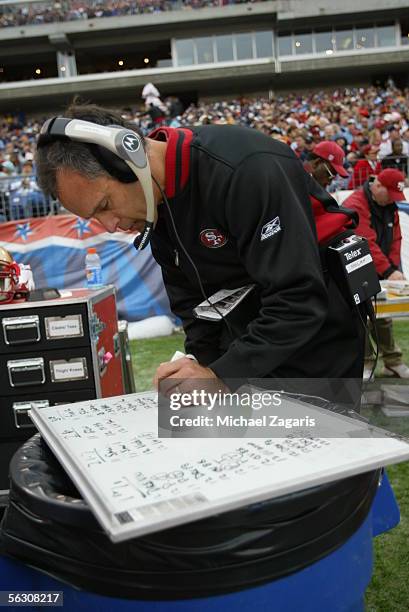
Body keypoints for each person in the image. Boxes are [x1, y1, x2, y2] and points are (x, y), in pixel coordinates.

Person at [35, 103, 367, 398]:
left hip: (319, 340)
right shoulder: (154, 207)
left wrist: (221, 375)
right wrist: (197, 370)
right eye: (94, 218)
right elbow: (194, 307)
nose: (108, 226)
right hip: (254, 340)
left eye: (104, 205)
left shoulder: (246, 169)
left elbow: (299, 298)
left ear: (128, 159)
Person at [344, 169, 409, 379]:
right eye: (390, 194)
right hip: (355, 265)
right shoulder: (356, 204)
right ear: (378, 186)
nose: (393, 200)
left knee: (383, 316)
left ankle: (392, 361)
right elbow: (365, 240)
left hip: (378, 267)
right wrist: (388, 270)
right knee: (361, 317)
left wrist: (393, 267)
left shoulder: (389, 205)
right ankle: (365, 363)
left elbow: (396, 237)